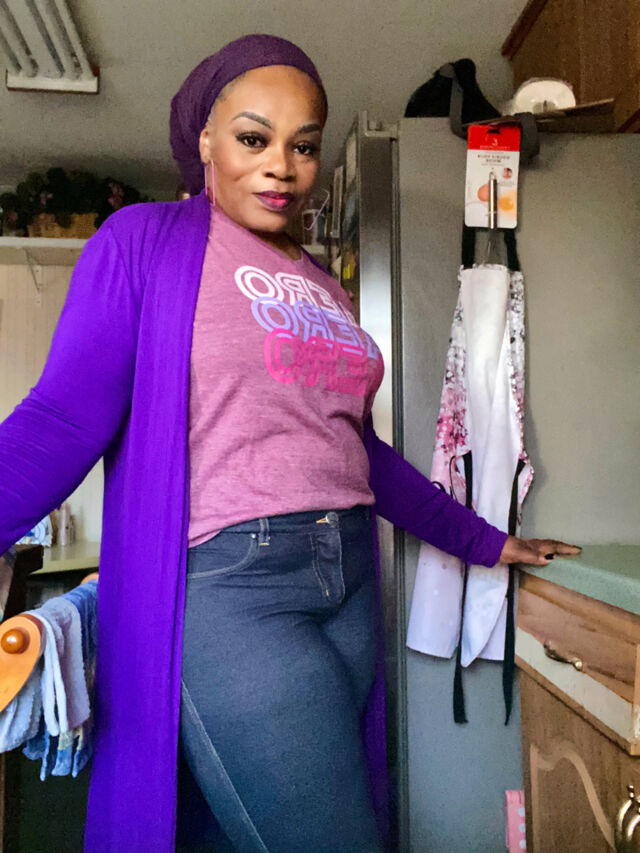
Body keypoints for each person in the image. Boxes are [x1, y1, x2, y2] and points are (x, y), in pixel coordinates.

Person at [0, 34, 580, 853]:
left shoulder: (321, 282)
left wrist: (485, 540)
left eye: (304, 146)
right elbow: (61, 418)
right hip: (234, 590)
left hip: (347, 583)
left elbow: (356, 454)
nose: (282, 166)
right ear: (206, 139)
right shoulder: (146, 242)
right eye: (253, 138)